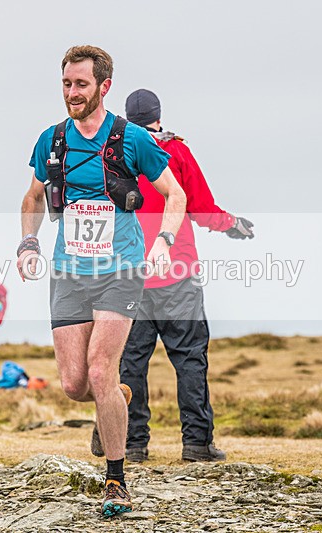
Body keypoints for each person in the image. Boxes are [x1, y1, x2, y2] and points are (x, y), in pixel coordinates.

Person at [17, 46, 186, 517]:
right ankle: (116, 394)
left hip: (121, 269)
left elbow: (176, 193)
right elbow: (32, 197)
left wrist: (165, 240)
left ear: (103, 87)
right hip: (69, 271)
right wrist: (27, 244)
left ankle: (115, 479)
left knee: (99, 369)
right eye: (67, 84)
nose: (72, 93)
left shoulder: (132, 139)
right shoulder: (51, 141)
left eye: (81, 85)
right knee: (75, 384)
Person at [101, 88, 254, 464]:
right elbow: (200, 208)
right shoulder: (177, 152)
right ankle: (197, 445)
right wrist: (232, 224)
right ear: (158, 115)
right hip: (176, 273)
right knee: (189, 359)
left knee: (128, 363)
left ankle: (132, 445)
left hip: (125, 275)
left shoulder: (110, 154)